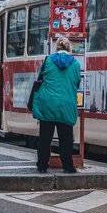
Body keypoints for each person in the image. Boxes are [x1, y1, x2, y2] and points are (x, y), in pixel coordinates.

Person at [31, 36, 82, 173]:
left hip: (47, 103)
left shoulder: (48, 61)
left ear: (56, 48)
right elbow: (77, 83)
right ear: (69, 48)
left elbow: (39, 78)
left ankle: (42, 165)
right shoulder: (76, 64)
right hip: (66, 104)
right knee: (66, 138)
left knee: (45, 137)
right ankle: (68, 165)